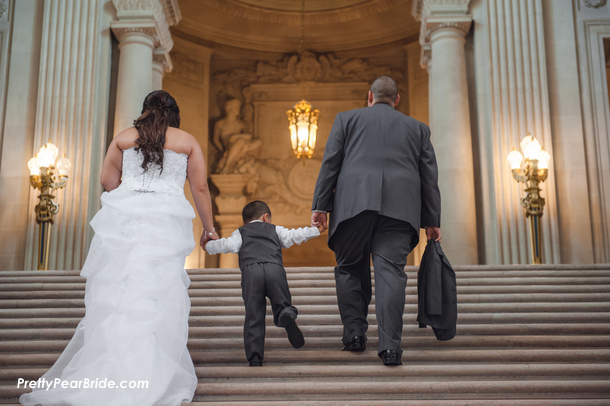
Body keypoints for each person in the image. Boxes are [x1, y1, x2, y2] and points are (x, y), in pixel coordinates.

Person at [20, 90, 218, 406]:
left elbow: (106, 179)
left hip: (124, 221)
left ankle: (113, 368)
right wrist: (209, 230)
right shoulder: (187, 141)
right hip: (164, 223)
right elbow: (200, 188)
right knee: (156, 294)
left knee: (120, 294)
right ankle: (148, 373)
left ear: (144, 111)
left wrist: (134, 191)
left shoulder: (125, 137)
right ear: (175, 114)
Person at [311, 76, 441, 366]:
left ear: (368, 96)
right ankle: (391, 347)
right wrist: (432, 220)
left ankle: (355, 334)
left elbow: (330, 162)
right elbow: (429, 178)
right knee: (390, 274)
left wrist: (320, 205)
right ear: (397, 100)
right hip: (400, 211)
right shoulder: (419, 129)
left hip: (352, 206)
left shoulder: (346, 120)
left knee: (348, 268)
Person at [203, 200, 323, 366]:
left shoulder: (241, 231)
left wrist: (208, 246)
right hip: (274, 269)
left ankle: (255, 357)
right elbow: (294, 235)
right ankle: (286, 315)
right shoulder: (275, 229)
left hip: (251, 272)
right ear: (266, 217)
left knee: (254, 313)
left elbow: (228, 245)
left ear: (244, 222)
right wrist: (315, 230)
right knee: (282, 304)